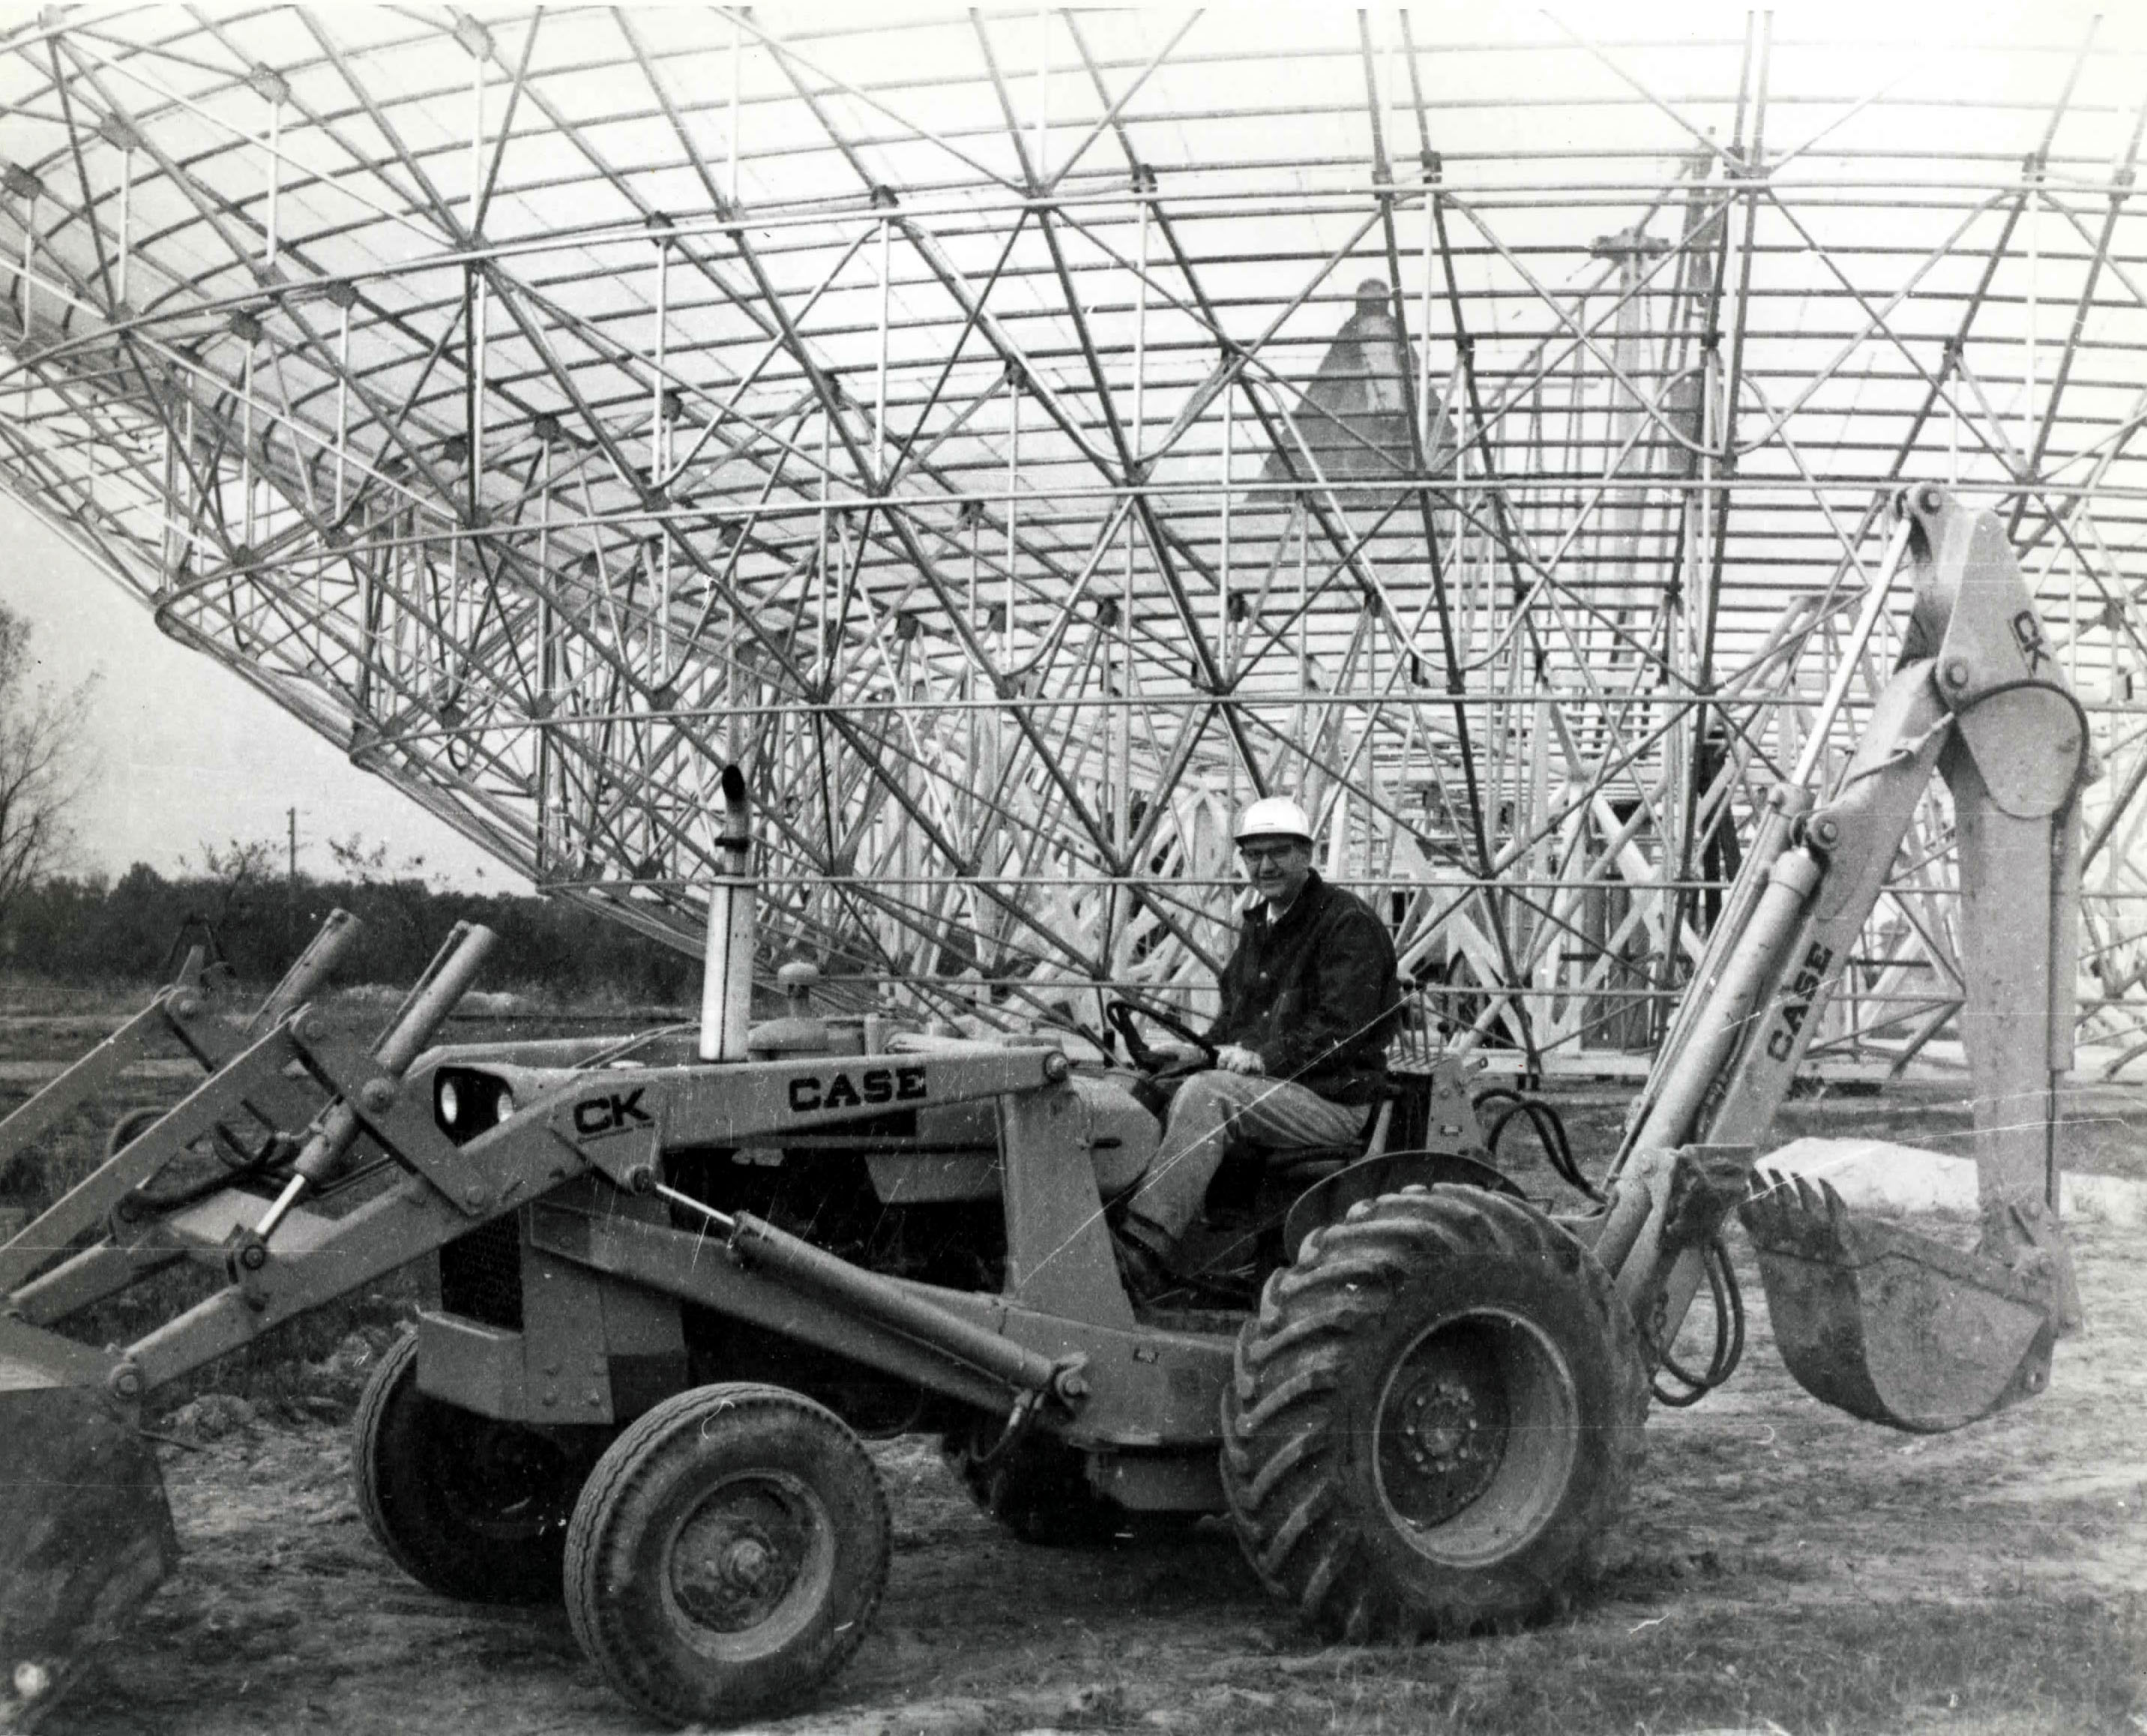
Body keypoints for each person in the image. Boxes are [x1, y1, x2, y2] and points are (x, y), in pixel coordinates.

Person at [1115, 795, 1401, 1299]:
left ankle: (1143, 1249)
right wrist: (1198, 1052)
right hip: (1278, 1089)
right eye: (1253, 854)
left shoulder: (1346, 924)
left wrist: (1264, 1057)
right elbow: (1236, 1018)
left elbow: (1343, 1029)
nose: (1265, 866)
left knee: (1210, 1096)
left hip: (1332, 1097)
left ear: (1306, 854)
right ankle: (1128, 1227)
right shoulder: (1262, 925)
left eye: (1278, 852)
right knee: (1139, 1088)